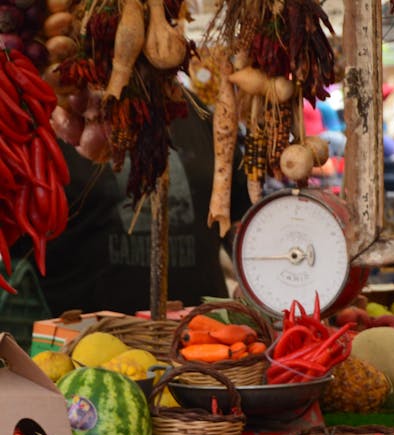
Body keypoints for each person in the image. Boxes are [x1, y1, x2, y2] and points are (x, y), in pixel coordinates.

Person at [18, 106, 251, 315]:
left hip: (206, 340)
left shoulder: (195, 114)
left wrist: (252, 274)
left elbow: (238, 213)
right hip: (82, 344)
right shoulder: (52, 117)